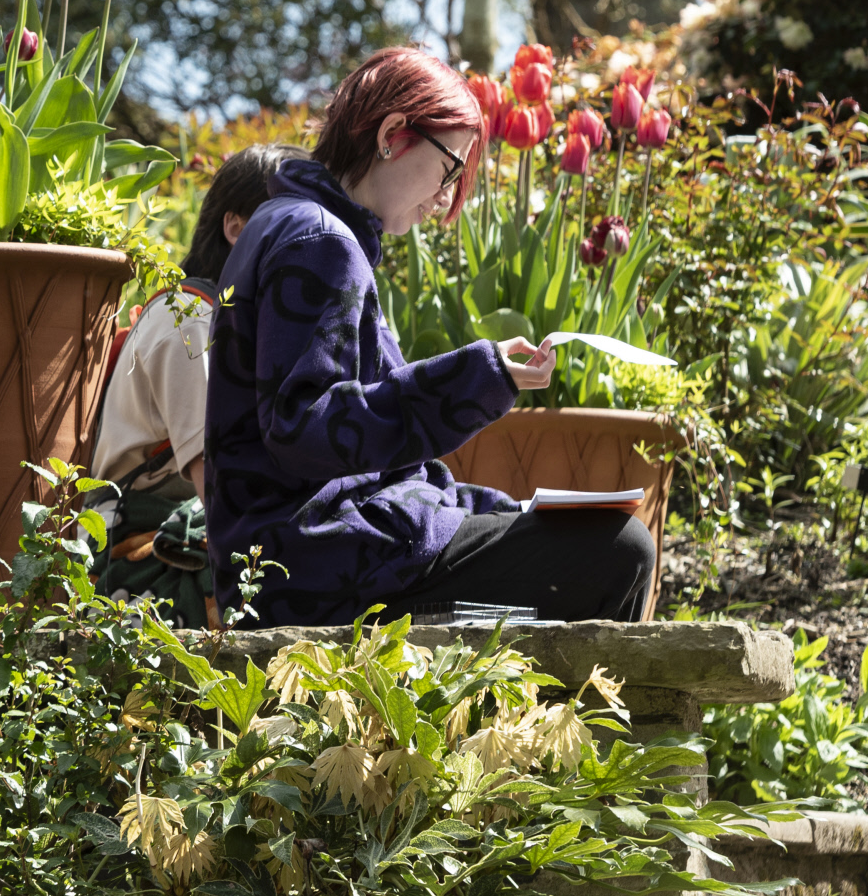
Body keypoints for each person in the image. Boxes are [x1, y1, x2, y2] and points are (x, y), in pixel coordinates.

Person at [203, 45, 656, 627]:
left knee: (578, 538)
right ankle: (564, 722)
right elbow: (304, 430)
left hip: (294, 558)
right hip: (315, 565)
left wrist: (489, 507)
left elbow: (341, 448)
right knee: (619, 550)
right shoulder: (321, 241)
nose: (446, 197)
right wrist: (474, 377)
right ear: (393, 134)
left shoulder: (283, 222)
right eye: (449, 169)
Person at [85, 144, 304, 628]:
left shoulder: (226, 324)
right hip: (140, 562)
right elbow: (224, 493)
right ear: (236, 228)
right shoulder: (189, 321)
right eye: (293, 226)